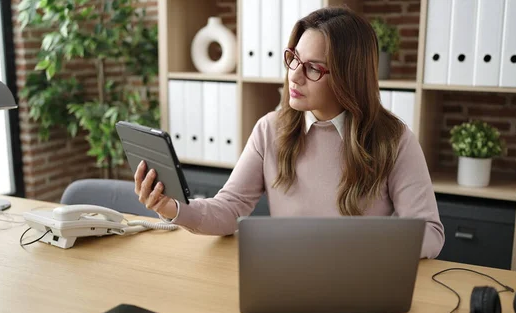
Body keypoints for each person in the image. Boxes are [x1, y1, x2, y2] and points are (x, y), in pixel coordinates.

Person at [134, 6, 445, 259]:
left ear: (349, 78)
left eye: (312, 68)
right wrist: (173, 208)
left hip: (360, 280)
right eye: (293, 59)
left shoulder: (394, 140)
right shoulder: (270, 129)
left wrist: (363, 245)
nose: (294, 76)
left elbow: (431, 232)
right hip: (288, 275)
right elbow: (228, 209)